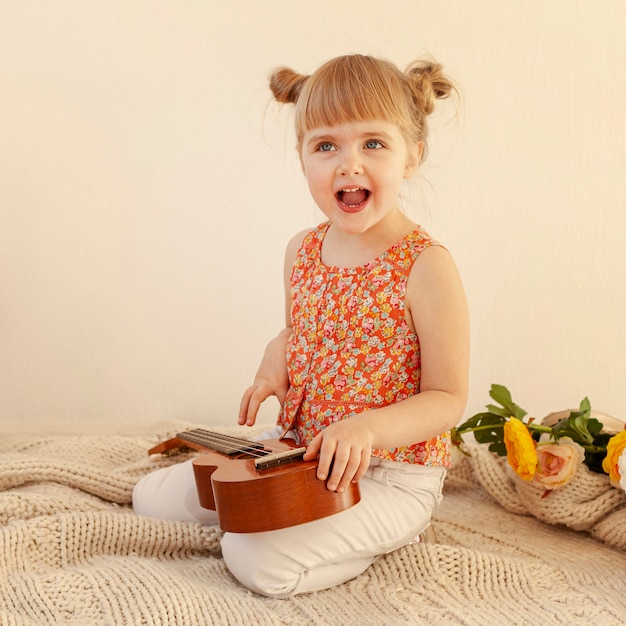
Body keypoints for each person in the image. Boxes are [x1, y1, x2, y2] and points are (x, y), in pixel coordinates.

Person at [133, 53, 469, 599]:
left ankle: (381, 535)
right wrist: (274, 366)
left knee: (253, 555)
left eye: (374, 144)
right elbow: (301, 333)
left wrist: (366, 429)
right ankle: (296, 520)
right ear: (303, 158)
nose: (349, 164)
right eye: (326, 145)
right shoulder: (302, 251)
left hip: (392, 476)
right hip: (299, 451)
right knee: (153, 497)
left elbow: (447, 396)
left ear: (413, 156)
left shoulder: (426, 266)